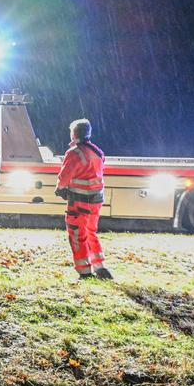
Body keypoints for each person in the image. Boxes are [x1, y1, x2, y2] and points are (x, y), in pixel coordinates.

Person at [54, 118, 113, 281]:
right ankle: (100, 266)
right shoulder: (98, 152)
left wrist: (59, 188)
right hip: (96, 200)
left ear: (73, 134)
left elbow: (65, 177)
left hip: (79, 201)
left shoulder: (74, 152)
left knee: (77, 234)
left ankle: (84, 271)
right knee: (90, 232)